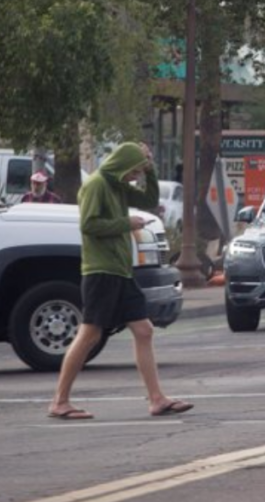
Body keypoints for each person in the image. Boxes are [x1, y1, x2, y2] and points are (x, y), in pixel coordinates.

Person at [47, 142, 193, 420]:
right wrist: (127, 223)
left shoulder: (116, 185)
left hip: (121, 271)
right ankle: (60, 401)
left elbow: (149, 199)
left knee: (144, 330)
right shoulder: (97, 185)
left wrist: (149, 170)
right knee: (90, 333)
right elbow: (88, 225)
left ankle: (157, 399)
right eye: (135, 170)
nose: (135, 176)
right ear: (122, 165)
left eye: (138, 171)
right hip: (100, 271)